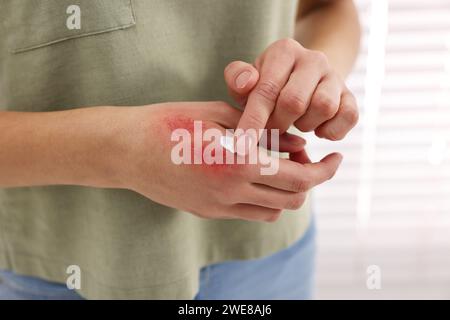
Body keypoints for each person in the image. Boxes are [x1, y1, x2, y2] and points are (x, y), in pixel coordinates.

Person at [0, 0, 360, 299]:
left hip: (266, 256)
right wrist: (122, 152)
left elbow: (326, 9)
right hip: (64, 268)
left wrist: (309, 84)